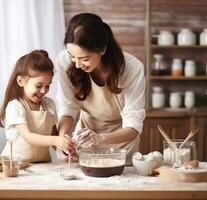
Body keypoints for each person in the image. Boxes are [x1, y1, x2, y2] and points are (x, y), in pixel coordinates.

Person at [55, 13, 146, 164]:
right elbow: (67, 107)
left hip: (121, 141)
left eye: (84, 58)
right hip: (84, 138)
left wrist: (100, 139)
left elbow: (133, 125)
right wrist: (62, 140)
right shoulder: (64, 61)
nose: (77, 65)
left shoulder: (132, 68)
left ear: (102, 49)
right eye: (72, 56)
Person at [0, 50, 74, 163]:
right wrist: (56, 140)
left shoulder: (49, 104)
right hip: (15, 166)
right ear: (20, 81)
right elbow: (28, 136)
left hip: (43, 165)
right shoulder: (15, 106)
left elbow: (53, 134)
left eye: (48, 86)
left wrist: (63, 148)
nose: (43, 91)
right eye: (38, 85)